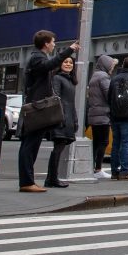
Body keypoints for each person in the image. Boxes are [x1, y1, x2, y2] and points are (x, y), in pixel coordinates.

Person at [18, 30, 77, 192]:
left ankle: (28, 181)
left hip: (37, 105)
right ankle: (27, 182)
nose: (54, 44)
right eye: (52, 42)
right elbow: (49, 65)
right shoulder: (38, 58)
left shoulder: (36, 57)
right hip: (37, 107)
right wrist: (69, 50)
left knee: (30, 145)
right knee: (30, 145)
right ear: (46, 43)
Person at [45, 55, 79, 187]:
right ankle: (52, 179)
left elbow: (71, 103)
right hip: (61, 119)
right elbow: (56, 98)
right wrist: (61, 117)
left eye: (71, 63)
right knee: (57, 149)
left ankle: (52, 178)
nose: (68, 64)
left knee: (59, 148)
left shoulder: (71, 81)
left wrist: (74, 119)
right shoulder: (57, 78)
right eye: (65, 62)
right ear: (60, 64)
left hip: (68, 118)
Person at [107, 56, 128, 180]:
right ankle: (124, 172)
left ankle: (114, 172)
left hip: (115, 115)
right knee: (126, 144)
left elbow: (109, 97)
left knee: (116, 143)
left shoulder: (114, 78)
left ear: (122, 65)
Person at [86, 55, 117, 179]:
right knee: (103, 141)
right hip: (103, 114)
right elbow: (109, 94)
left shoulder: (94, 75)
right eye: (112, 66)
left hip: (94, 113)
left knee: (96, 142)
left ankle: (92, 167)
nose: (112, 69)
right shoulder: (103, 76)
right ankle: (98, 168)